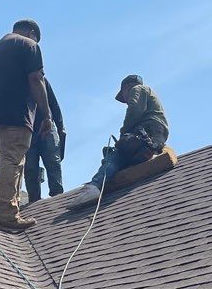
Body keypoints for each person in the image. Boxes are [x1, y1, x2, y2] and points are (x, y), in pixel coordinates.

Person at [0, 19, 54, 230]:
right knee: (13, 162)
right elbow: (36, 79)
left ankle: (12, 208)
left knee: (9, 161)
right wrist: (47, 115)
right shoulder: (29, 45)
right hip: (16, 116)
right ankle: (8, 215)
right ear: (32, 32)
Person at [71, 74, 169, 206]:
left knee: (115, 156)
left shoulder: (138, 88)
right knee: (125, 159)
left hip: (146, 131)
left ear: (126, 87)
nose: (125, 100)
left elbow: (135, 109)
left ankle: (94, 186)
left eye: (124, 96)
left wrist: (123, 133)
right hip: (156, 137)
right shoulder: (153, 100)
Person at [24, 77, 65, 203]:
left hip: (47, 127)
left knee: (53, 162)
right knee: (30, 168)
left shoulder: (41, 80)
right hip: (27, 129)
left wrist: (60, 126)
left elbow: (53, 103)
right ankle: (34, 201)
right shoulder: (15, 81)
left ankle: (58, 196)